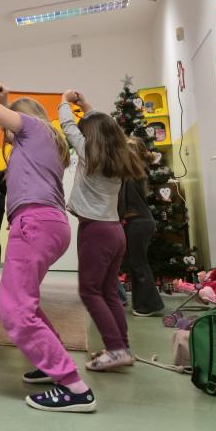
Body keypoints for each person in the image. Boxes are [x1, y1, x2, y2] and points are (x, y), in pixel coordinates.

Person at [0, 79, 96, 413]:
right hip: (48, 224)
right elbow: (5, 125)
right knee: (26, 302)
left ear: (22, 119)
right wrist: (6, 101)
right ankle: (50, 363)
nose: (6, 133)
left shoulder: (32, 129)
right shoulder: (43, 138)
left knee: (14, 310)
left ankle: (74, 387)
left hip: (34, 224)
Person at [58, 90, 146, 372]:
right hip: (114, 231)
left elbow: (67, 125)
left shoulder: (88, 153)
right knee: (108, 292)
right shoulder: (119, 156)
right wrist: (86, 105)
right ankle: (122, 348)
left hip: (96, 232)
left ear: (91, 136)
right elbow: (107, 127)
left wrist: (64, 100)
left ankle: (117, 349)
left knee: (89, 291)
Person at [120, 137, 164, 317]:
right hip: (138, 222)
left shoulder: (134, 172)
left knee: (138, 264)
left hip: (139, 222)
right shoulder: (135, 171)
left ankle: (150, 305)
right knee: (135, 264)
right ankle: (141, 304)